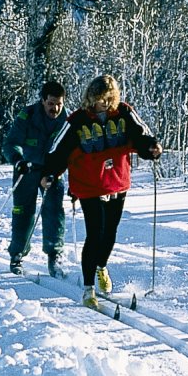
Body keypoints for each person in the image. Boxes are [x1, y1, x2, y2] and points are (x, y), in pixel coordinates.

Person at [42, 75, 162, 308]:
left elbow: (140, 136)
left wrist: (151, 148)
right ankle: (88, 289)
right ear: (91, 98)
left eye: (108, 99)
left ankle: (101, 267)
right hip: (89, 185)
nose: (104, 104)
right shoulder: (77, 120)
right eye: (99, 100)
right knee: (95, 233)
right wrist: (50, 173)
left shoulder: (124, 113)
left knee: (110, 233)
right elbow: (60, 150)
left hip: (116, 180)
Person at [1, 81, 69, 278]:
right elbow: (11, 143)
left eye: (59, 104)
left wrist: (53, 172)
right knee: (23, 212)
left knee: (54, 211)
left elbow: (69, 151)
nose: (55, 108)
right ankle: (17, 255)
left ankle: (54, 256)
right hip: (27, 169)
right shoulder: (28, 115)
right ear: (42, 101)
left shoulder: (68, 120)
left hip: (53, 170)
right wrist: (17, 159)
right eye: (51, 104)